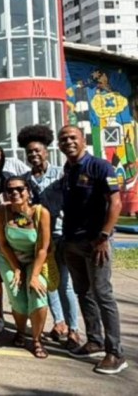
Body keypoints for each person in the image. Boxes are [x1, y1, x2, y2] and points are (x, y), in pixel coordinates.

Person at [58, 125, 127, 374]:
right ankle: (95, 341)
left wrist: (104, 236)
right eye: (63, 139)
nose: (68, 142)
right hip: (72, 242)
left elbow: (115, 203)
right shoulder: (68, 169)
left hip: (95, 243)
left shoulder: (100, 166)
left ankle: (115, 353)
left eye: (72, 137)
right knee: (83, 293)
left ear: (83, 140)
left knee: (102, 294)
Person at [18, 125, 81, 349]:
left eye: (38, 150)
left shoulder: (61, 174)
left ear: (46, 152)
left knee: (64, 284)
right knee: (49, 282)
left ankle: (74, 329)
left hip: (60, 235)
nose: (34, 155)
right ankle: (59, 323)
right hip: (39, 239)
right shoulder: (25, 180)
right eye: (29, 152)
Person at [0, 176, 51, 359]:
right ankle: (20, 331)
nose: (15, 193)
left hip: (35, 259)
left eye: (20, 189)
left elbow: (43, 249)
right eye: (10, 190)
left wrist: (33, 276)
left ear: (28, 192)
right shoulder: (1, 213)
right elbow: (3, 244)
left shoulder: (41, 213)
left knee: (38, 292)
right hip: (9, 258)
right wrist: (16, 268)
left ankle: (37, 339)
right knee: (16, 293)